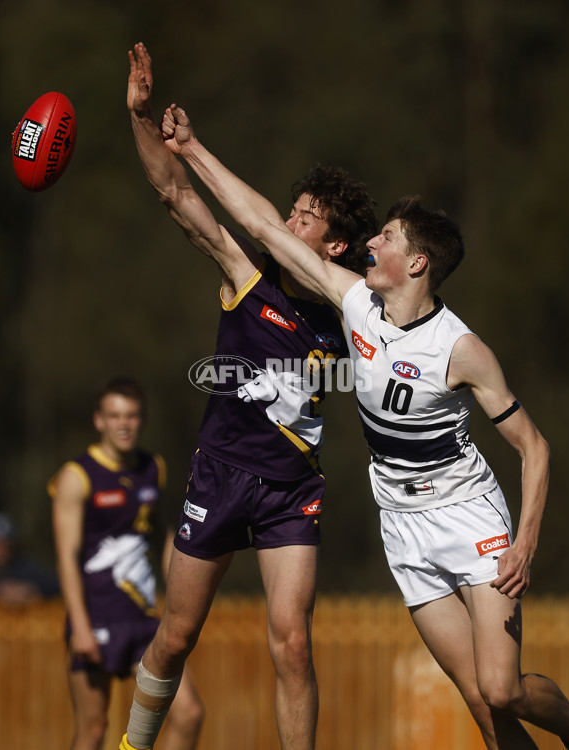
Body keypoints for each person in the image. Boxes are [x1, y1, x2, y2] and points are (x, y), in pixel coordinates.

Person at [164, 107, 569, 750]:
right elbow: (261, 225)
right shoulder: (356, 301)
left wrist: (524, 544)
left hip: (471, 516)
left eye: (386, 238)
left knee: (503, 689)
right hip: (404, 526)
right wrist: (191, 148)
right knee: (480, 701)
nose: (371, 245)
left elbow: (535, 447)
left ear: (417, 264)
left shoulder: (460, 349)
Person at [120, 43, 379, 750]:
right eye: (290, 210)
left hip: (292, 490)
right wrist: (143, 119)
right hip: (222, 473)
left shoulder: (351, 311)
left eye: (304, 217)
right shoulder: (246, 275)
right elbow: (176, 194)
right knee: (176, 637)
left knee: (293, 644)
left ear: (334, 247)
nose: (287, 223)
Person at [49, 377, 204, 750]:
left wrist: (179, 602)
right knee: (94, 729)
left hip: (143, 622)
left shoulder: (154, 468)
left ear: (142, 419)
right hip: (96, 619)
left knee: (189, 714)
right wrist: (81, 627)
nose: (124, 424)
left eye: (132, 415)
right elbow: (66, 558)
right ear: (98, 420)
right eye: (115, 415)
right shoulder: (77, 476)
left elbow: (168, 536)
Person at [0, 511, 59, 605]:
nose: (0, 551)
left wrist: (32, 589)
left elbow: (55, 584)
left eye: (5, 546)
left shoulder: (22, 566)